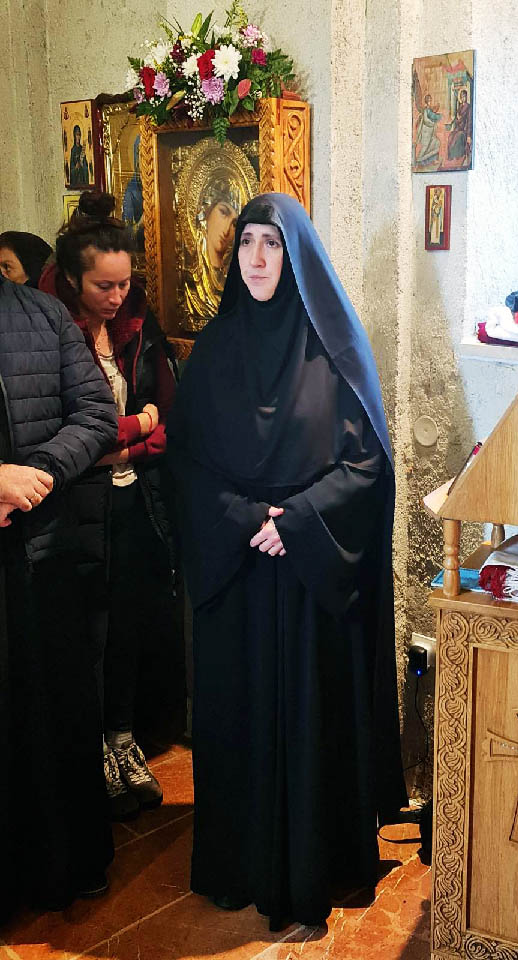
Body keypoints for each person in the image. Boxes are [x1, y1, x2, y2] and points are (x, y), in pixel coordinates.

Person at [167, 193, 407, 930]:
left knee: (312, 721)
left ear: (296, 255)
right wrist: (246, 520)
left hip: (311, 575)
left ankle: (315, 866)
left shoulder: (335, 350)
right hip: (239, 567)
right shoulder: (212, 352)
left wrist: (297, 522)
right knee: (237, 717)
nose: (258, 258)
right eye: (246, 244)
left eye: (272, 244)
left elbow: (368, 465)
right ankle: (238, 863)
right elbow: (185, 463)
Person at [39, 190, 183, 822]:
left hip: (134, 498)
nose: (117, 297)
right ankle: (91, 746)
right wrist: (133, 426)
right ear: (73, 280)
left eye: (125, 284)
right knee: (87, 632)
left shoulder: (137, 327)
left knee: (128, 624)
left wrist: (132, 436)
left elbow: (168, 416)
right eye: (104, 286)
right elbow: (70, 434)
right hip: (75, 505)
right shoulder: (51, 333)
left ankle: (123, 738)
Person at [0, 270, 118, 917]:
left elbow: (96, 414)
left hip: (43, 550)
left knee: (58, 710)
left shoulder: (41, 315)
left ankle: (68, 865)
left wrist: (38, 473)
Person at [182, 180, 241, 329]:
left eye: (235, 224)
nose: (227, 229)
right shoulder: (189, 280)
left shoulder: (235, 282)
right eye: (223, 212)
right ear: (206, 211)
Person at [447, 88, 471, 163]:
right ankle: (451, 156)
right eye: (461, 96)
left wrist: (468, 135)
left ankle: (458, 155)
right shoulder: (460, 106)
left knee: (458, 136)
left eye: (464, 96)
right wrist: (455, 120)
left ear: (466, 97)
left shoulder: (468, 107)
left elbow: (469, 121)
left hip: (464, 129)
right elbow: (457, 118)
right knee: (451, 136)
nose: (463, 98)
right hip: (458, 127)